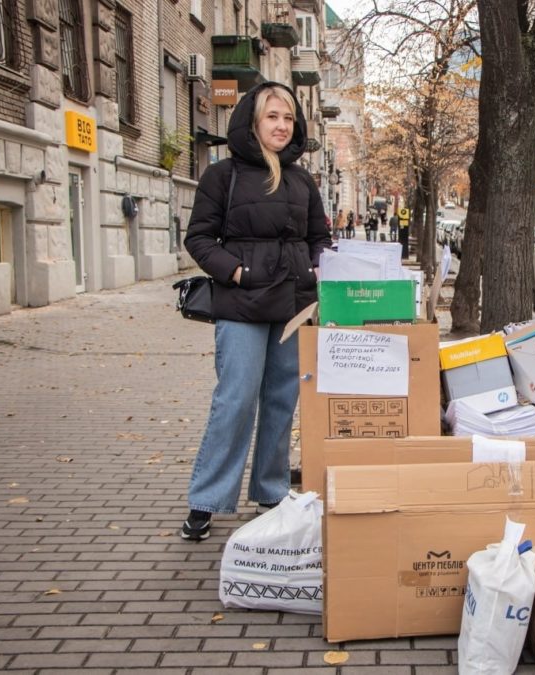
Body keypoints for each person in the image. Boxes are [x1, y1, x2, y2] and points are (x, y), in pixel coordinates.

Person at [181, 82, 331, 541]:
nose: (282, 126)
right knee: (236, 399)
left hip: (293, 306)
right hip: (242, 305)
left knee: (282, 401)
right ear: (253, 121)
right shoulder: (222, 176)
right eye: (272, 117)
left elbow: (319, 238)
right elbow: (199, 238)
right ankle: (207, 499)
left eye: (288, 118)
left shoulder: (302, 180)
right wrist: (237, 272)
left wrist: (317, 266)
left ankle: (271, 492)